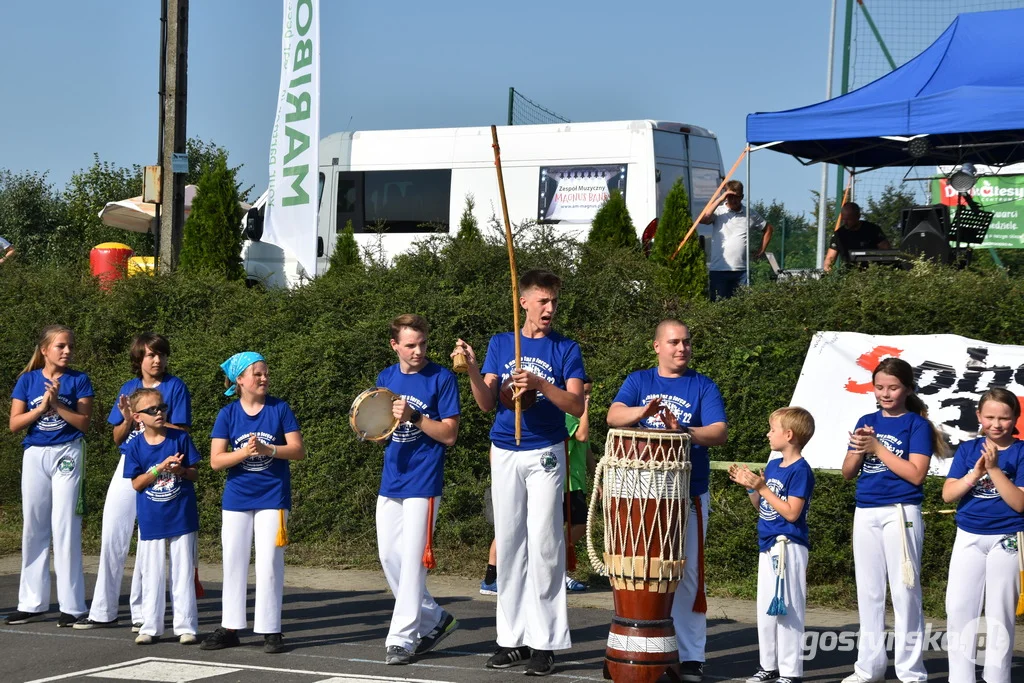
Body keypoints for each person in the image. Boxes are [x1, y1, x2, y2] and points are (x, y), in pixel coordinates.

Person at [453, 269, 586, 677]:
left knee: (546, 543)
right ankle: (511, 639)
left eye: (554, 302)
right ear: (523, 302)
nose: (549, 309)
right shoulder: (501, 343)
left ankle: (545, 642)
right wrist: (475, 370)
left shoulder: (566, 348)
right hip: (505, 449)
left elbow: (577, 406)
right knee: (510, 544)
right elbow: (485, 402)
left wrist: (543, 385)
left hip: (545, 450)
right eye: (542, 301)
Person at [606, 319, 728, 683]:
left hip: (687, 493)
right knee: (641, 575)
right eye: (674, 342)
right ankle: (642, 648)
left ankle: (690, 657)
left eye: (687, 343)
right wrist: (641, 413)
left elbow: (719, 432)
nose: (682, 348)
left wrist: (685, 432)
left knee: (688, 576)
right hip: (638, 494)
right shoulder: (639, 381)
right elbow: (613, 415)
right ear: (657, 346)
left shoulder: (702, 385)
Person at [75, 333, 192, 631]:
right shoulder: (128, 388)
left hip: (162, 466)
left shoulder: (175, 386)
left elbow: (181, 429)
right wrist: (129, 419)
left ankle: (142, 612)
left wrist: (151, 415)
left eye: (161, 354)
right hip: (131, 463)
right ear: (139, 358)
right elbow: (118, 438)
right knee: (113, 531)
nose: (157, 360)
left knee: (147, 538)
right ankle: (103, 610)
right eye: (151, 355)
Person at [840, 357, 947, 683]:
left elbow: (916, 475)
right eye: (880, 387)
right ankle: (868, 669)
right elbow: (847, 472)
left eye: (893, 387)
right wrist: (859, 448)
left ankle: (911, 672)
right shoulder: (866, 419)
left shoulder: (916, 425)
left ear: (908, 389)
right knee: (869, 593)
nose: (885, 393)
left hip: (901, 513)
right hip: (866, 511)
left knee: (905, 593)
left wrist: (878, 447)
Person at [200, 352, 305, 654]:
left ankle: (271, 629)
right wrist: (245, 453)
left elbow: (297, 450)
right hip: (237, 499)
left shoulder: (280, 409)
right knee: (233, 562)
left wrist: (269, 448)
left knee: (270, 563)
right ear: (239, 380)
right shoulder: (228, 415)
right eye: (256, 373)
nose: (263, 377)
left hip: (273, 497)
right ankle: (230, 627)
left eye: (266, 372)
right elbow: (216, 461)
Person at [374, 314, 461, 665]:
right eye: (410, 345)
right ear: (395, 345)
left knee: (411, 563)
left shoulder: (440, 377)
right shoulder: (386, 377)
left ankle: (402, 639)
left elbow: (450, 435)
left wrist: (415, 417)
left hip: (424, 483)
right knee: (389, 558)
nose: (419, 350)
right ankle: (435, 618)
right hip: (391, 479)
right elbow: (379, 427)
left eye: (423, 343)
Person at [6, 325, 93, 627]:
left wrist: (57, 405)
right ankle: (32, 603)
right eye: (61, 346)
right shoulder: (27, 380)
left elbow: (83, 423)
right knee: (34, 526)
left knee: (65, 524)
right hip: (35, 454)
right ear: (45, 350)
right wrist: (42, 407)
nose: (67, 351)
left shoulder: (79, 380)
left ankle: (73, 605)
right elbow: (15, 424)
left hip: (68, 452)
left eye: (70, 346)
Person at [942, 388, 1024, 683]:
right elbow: (948, 495)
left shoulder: (1022, 451)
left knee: (1000, 611)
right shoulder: (967, 450)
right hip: (969, 535)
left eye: (1004, 417)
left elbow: (1019, 503)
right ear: (979, 416)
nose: (997, 424)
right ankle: (960, 677)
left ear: (1015, 417)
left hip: (1009, 538)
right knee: (959, 608)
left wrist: (994, 469)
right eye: (989, 417)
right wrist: (974, 474)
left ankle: (997, 677)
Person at [729, 407, 816, 683]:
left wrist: (764, 488)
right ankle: (768, 666)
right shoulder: (774, 465)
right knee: (766, 608)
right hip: (767, 544)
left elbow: (792, 512)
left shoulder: (801, 470)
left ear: (789, 435)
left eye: (773, 429)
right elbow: (764, 507)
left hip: (788, 545)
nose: (768, 434)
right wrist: (752, 488)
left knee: (788, 608)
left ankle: (790, 672)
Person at [121, 388, 201, 645]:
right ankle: (151, 625)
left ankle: (186, 626)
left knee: (183, 572)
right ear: (137, 417)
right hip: (152, 519)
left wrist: (180, 470)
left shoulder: (180, 438)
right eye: (152, 410)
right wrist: (159, 468)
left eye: (162, 407)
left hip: (182, 515)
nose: (159, 413)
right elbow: (136, 483)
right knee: (151, 573)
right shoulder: (134, 446)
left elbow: (195, 473)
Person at [700, 180, 773, 301]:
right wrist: (720, 198)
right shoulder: (718, 212)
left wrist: (761, 250)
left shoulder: (750, 214)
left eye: (737, 197)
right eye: (730, 197)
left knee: (741, 307)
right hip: (719, 270)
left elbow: (768, 229)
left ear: (742, 197)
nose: (733, 201)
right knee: (718, 306)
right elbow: (704, 218)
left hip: (741, 271)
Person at [564, 376, 596, 592]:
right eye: (583, 392)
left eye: (589, 393)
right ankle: (555, 566)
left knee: (578, 526)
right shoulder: (566, 415)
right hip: (563, 483)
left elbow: (587, 451)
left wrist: (596, 478)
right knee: (572, 527)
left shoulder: (579, 417)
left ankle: (559, 568)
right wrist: (583, 407)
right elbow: (582, 436)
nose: (588, 397)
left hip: (576, 483)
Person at [822, 202, 890, 272]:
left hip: (872, 273)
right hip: (850, 274)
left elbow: (886, 251)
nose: (845, 222)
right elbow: (830, 258)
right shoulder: (839, 235)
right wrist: (826, 273)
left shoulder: (873, 230)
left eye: (848, 219)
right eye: (843, 219)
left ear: (858, 216)